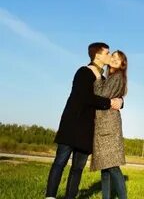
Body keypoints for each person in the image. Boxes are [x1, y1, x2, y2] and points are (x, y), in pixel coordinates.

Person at [45, 42, 123, 199]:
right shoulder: (83, 72)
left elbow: (110, 94)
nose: (110, 56)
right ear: (97, 55)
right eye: (107, 53)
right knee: (59, 163)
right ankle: (50, 197)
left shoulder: (102, 78)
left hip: (87, 131)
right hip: (71, 125)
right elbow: (85, 97)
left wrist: (121, 100)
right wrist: (108, 103)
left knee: (77, 169)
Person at [90, 50, 128, 199]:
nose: (114, 60)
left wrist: (97, 76)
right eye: (113, 56)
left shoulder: (117, 77)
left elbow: (102, 95)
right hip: (103, 125)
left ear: (122, 65)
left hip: (109, 127)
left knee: (112, 167)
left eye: (118, 60)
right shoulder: (111, 77)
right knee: (105, 169)